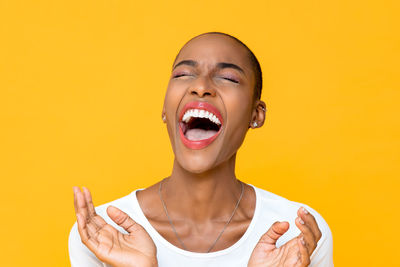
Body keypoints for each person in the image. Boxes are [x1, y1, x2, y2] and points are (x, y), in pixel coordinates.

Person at [69, 32, 334, 267]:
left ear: (257, 114)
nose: (201, 87)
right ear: (165, 110)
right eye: (184, 75)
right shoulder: (102, 233)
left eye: (228, 78)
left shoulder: (298, 235)